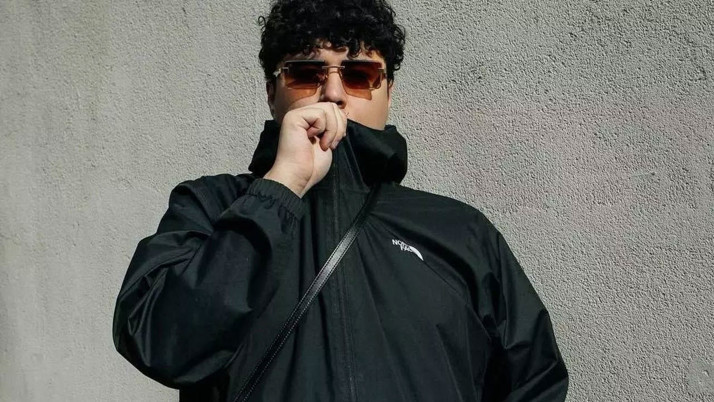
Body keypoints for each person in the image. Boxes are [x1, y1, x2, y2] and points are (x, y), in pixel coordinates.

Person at [112, 0, 569, 400]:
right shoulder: (211, 206)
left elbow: (535, 380)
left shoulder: (460, 230)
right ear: (272, 92)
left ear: (388, 91)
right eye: (306, 73)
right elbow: (158, 344)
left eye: (359, 75)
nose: (332, 93)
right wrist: (280, 187)